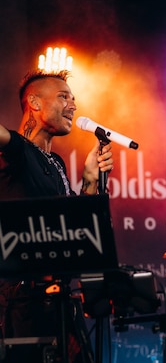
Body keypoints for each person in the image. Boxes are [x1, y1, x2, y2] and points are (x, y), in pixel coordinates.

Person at [0, 69, 114, 362]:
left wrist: (89, 180)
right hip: (21, 301)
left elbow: (76, 226)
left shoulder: (57, 163)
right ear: (34, 103)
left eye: (74, 98)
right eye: (63, 97)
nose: (73, 105)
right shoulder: (16, 150)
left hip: (56, 298)